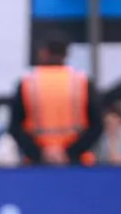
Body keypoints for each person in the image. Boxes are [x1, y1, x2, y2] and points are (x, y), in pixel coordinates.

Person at [8, 33, 103, 166]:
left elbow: (15, 127)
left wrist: (40, 153)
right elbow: (97, 126)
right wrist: (69, 153)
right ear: (66, 54)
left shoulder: (27, 83)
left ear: (44, 53)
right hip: (78, 163)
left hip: (38, 164)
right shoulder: (82, 82)